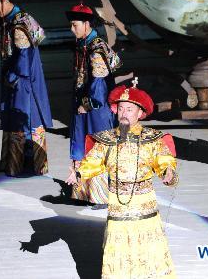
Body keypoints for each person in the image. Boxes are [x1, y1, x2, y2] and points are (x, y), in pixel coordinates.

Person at [67, 79, 178, 278]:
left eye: (129, 109)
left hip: (144, 203)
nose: (124, 113)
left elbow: (164, 159)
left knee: (147, 247)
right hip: (118, 202)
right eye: (121, 109)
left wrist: (168, 172)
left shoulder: (152, 138)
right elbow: (93, 160)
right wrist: (78, 173)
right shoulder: (106, 139)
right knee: (118, 247)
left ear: (140, 113)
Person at [0, 0, 52, 176]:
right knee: (13, 117)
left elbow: (23, 59)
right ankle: (13, 163)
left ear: (4, 1)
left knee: (22, 118)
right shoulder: (13, 20)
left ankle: (21, 165)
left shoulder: (19, 25)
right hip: (15, 78)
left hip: (22, 82)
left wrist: (12, 78)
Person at [64, 1, 120, 205]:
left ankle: (102, 195)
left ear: (87, 24)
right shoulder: (85, 45)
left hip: (96, 109)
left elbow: (99, 84)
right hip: (85, 104)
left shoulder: (96, 49)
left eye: (75, 25)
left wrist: (86, 104)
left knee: (97, 146)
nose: (72, 29)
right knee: (84, 144)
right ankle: (86, 192)